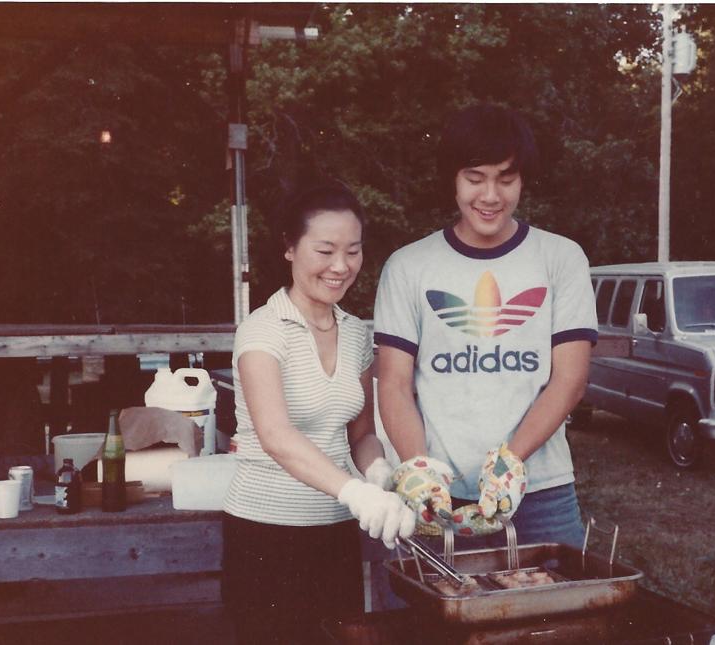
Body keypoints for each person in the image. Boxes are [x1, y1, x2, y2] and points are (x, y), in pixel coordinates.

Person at [373, 104, 598, 549]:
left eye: (506, 178)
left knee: (557, 607)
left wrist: (512, 462)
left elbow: (570, 379)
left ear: (523, 180)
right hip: (438, 495)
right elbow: (394, 384)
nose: (490, 195)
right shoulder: (408, 266)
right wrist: (419, 469)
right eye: (474, 178)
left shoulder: (561, 258)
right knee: (430, 612)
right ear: (452, 180)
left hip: (541, 490)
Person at [221, 180, 414, 644]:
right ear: (289, 248)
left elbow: (361, 434)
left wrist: (382, 474)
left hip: (334, 533)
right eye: (325, 250)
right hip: (265, 536)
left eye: (353, 251)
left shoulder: (354, 333)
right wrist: (356, 492)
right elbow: (276, 435)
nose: (341, 266)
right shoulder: (262, 331)